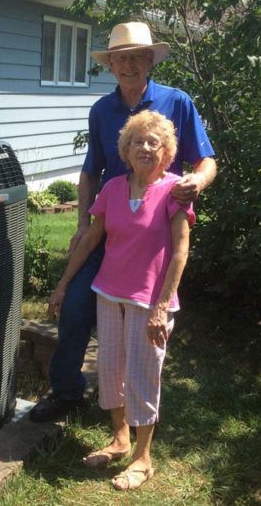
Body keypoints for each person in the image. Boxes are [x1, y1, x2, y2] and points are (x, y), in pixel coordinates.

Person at [29, 21, 217, 423]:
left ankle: (135, 399)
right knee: (77, 303)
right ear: (111, 66)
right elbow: (89, 172)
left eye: (136, 57)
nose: (129, 65)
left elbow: (207, 160)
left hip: (154, 232)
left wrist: (196, 181)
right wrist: (82, 221)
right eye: (120, 59)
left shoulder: (177, 102)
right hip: (109, 225)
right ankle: (66, 392)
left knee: (144, 315)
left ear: (150, 61)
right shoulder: (102, 110)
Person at [48, 111, 193, 490]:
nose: (145, 148)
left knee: (144, 375)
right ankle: (120, 438)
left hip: (150, 301)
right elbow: (91, 240)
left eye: (153, 142)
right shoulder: (112, 188)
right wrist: (63, 284)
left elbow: (180, 252)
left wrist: (162, 306)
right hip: (109, 294)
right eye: (137, 142)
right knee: (111, 369)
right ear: (125, 150)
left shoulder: (174, 190)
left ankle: (144, 459)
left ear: (166, 151)